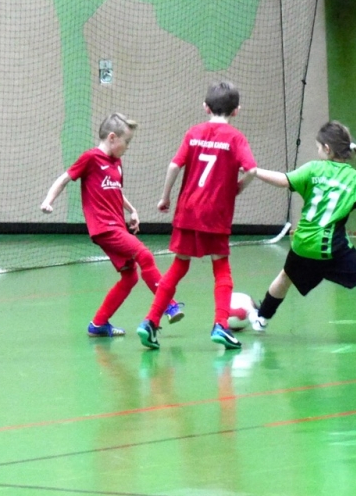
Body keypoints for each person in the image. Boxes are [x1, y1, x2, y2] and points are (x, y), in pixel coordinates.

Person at [250, 121, 356, 342]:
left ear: (327, 149)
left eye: (318, 147)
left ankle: (261, 318)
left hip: (303, 245)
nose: (317, 151)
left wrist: (254, 171)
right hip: (333, 247)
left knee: (285, 277)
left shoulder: (313, 169)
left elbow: (283, 180)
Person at [137, 81, 257, 351]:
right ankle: (221, 325)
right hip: (215, 214)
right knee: (221, 268)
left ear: (205, 107)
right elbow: (252, 170)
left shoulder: (193, 133)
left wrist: (165, 197)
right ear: (236, 111)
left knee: (178, 266)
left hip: (188, 210)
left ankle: (150, 321)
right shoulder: (236, 138)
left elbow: (174, 165)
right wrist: (238, 188)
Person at [40, 113, 182, 337]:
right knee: (145, 256)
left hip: (117, 226)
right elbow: (64, 178)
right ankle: (169, 305)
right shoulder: (90, 158)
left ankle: (98, 324)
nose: (128, 147)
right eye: (127, 141)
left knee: (130, 277)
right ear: (112, 138)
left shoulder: (117, 163)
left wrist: (132, 210)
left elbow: (116, 190)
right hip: (104, 228)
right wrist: (48, 201)